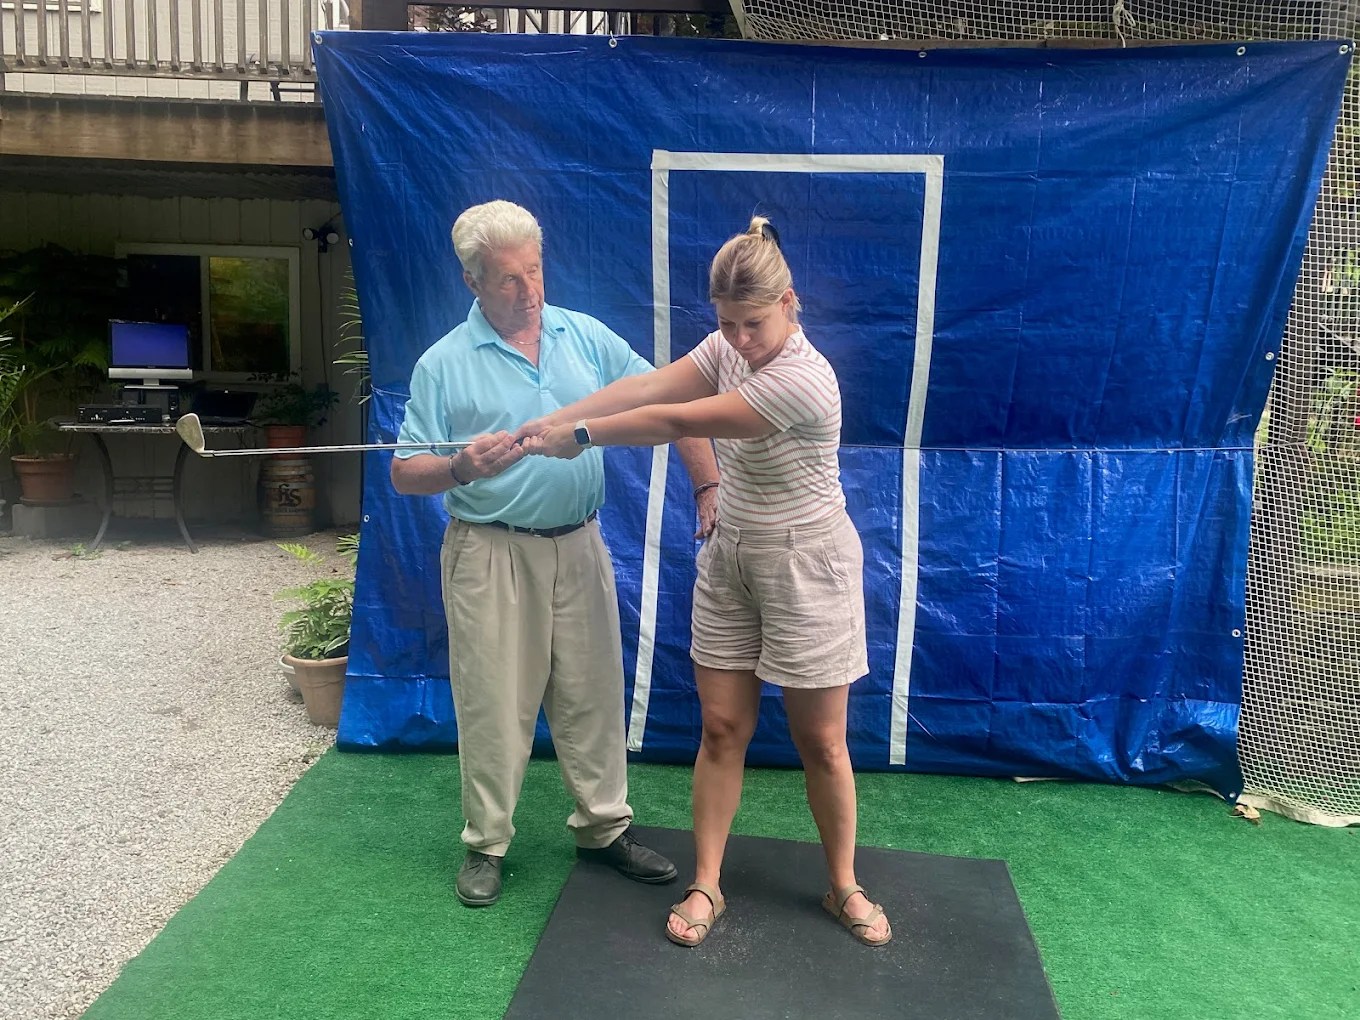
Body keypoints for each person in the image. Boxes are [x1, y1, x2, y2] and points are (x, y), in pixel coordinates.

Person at [518, 216, 891, 948]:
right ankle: (707, 883)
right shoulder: (727, 346)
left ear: (791, 304)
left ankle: (843, 883)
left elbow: (673, 418)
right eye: (726, 324)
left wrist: (580, 438)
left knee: (822, 743)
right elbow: (650, 384)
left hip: (807, 562)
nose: (740, 340)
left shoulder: (805, 381)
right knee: (722, 728)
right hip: (731, 557)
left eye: (753, 323)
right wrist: (552, 419)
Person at [390, 200, 720, 908]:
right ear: (473, 281)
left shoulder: (585, 337)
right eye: (508, 278)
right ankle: (486, 844)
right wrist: (459, 470)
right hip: (489, 553)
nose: (529, 290)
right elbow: (403, 469)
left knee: (593, 693)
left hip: (579, 543)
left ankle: (604, 829)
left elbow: (672, 399)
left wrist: (708, 482)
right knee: (493, 704)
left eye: (535, 270)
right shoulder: (442, 365)